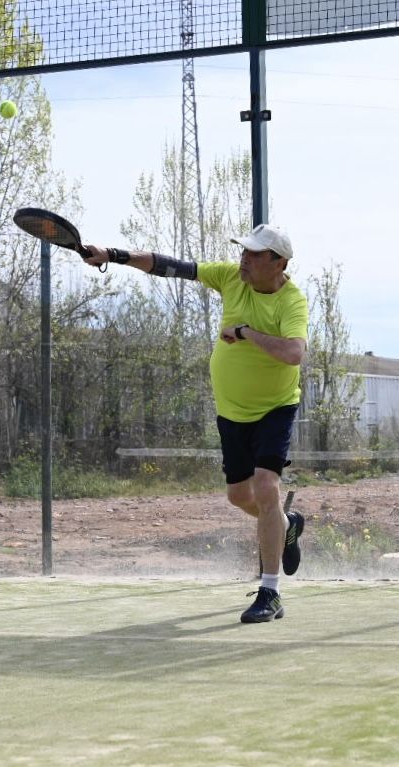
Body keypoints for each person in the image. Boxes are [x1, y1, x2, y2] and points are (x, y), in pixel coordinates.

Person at [82, 224, 308, 624]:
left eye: (255, 254)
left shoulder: (292, 302)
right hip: (232, 411)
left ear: (279, 263)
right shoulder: (228, 277)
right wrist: (113, 255)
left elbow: (293, 353)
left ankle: (270, 592)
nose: (245, 258)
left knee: (266, 487)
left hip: (276, 408)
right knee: (240, 497)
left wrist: (245, 333)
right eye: (244, 251)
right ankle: (286, 527)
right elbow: (169, 266)